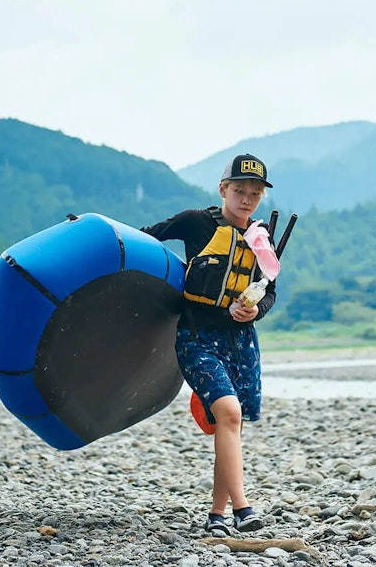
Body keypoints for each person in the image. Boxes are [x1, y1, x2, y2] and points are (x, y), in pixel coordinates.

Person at [141, 153, 277, 535]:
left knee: (228, 425)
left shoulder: (260, 239)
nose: (246, 199)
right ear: (223, 189)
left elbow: (270, 292)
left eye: (254, 193)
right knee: (229, 415)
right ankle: (243, 509)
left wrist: (256, 311)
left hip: (241, 343)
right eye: (239, 190)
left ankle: (217, 515)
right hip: (197, 338)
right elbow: (144, 238)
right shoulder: (195, 223)